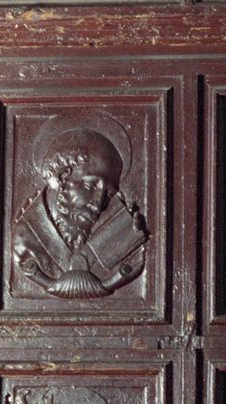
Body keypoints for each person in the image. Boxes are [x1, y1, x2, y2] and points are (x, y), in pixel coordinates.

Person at [12, 124, 148, 296]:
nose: (98, 204)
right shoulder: (26, 237)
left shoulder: (122, 232)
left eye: (108, 193)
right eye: (90, 185)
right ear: (62, 178)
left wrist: (129, 239)